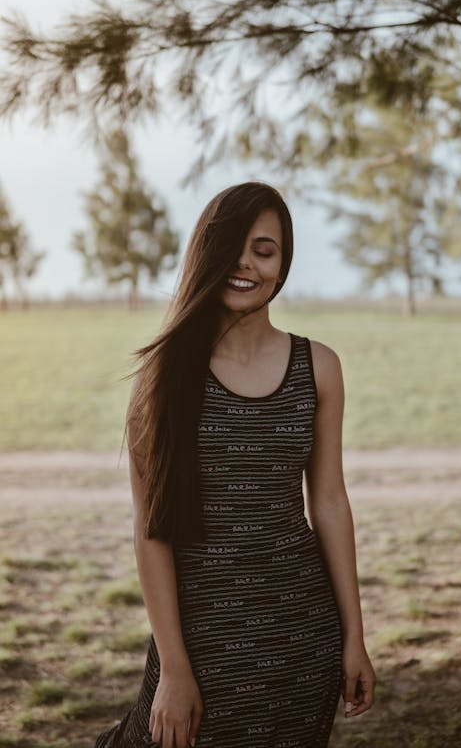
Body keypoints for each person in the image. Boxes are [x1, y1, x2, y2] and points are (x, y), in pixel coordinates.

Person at [95, 181, 376, 748]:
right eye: (230, 248)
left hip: (302, 634)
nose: (245, 264)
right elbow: (151, 531)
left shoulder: (319, 367)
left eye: (264, 250)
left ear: (283, 262)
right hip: (200, 640)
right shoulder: (165, 376)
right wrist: (173, 667)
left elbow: (329, 503)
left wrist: (354, 637)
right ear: (206, 256)